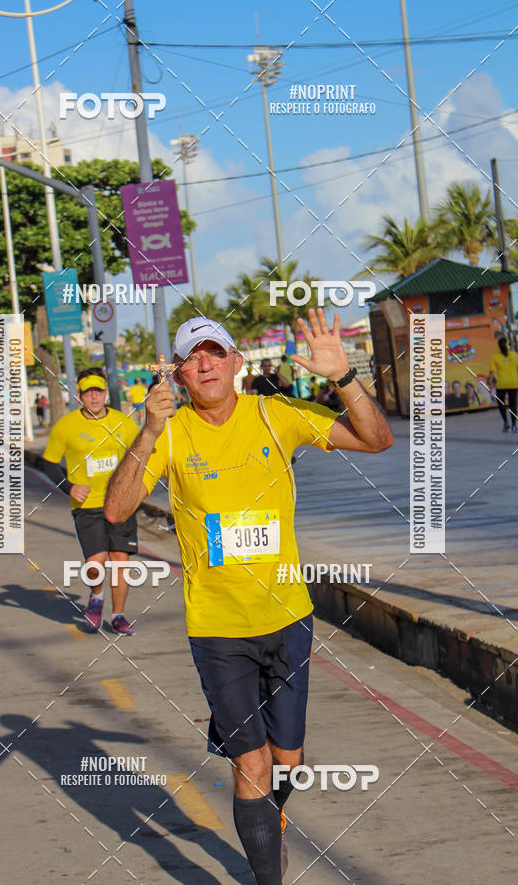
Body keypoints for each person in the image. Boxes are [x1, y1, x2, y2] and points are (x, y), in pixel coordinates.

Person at [104, 311, 393, 884]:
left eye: (216, 352)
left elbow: (376, 439)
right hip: (217, 628)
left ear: (237, 363)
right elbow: (116, 510)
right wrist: (147, 430)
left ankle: (268, 822)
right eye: (193, 356)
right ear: (180, 373)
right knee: (251, 764)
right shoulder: (171, 431)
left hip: (288, 618)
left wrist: (344, 377)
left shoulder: (274, 413)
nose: (206, 363)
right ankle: (266, 874)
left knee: (287, 761)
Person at [42, 368, 140, 634]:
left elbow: (141, 456)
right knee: (96, 564)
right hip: (87, 506)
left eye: (98, 391)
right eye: (88, 392)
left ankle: (118, 616)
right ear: (79, 395)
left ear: (105, 393)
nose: (94, 397)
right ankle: (96, 597)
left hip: (120, 503)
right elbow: (49, 462)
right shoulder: (66, 426)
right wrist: (69, 487)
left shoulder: (124, 422)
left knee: (120, 559)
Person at [488, 336, 518, 432]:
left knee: (501, 404)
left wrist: (490, 382)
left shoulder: (495, 356)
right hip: (513, 383)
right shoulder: (514, 355)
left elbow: (492, 372)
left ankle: (506, 422)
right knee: (513, 405)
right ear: (508, 344)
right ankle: (514, 426)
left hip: (501, 384)